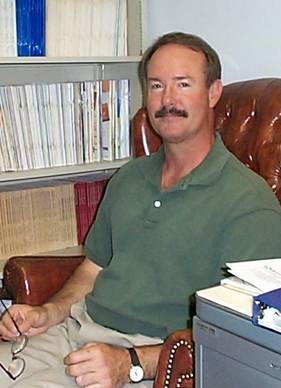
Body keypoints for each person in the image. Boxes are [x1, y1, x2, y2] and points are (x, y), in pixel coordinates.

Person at [1, 31, 281, 388]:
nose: (168, 100)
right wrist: (48, 312)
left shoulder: (249, 204)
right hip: (74, 333)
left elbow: (243, 336)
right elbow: (92, 269)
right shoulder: (129, 177)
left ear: (213, 93)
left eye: (183, 84)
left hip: (154, 358)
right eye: (156, 85)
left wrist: (132, 363)